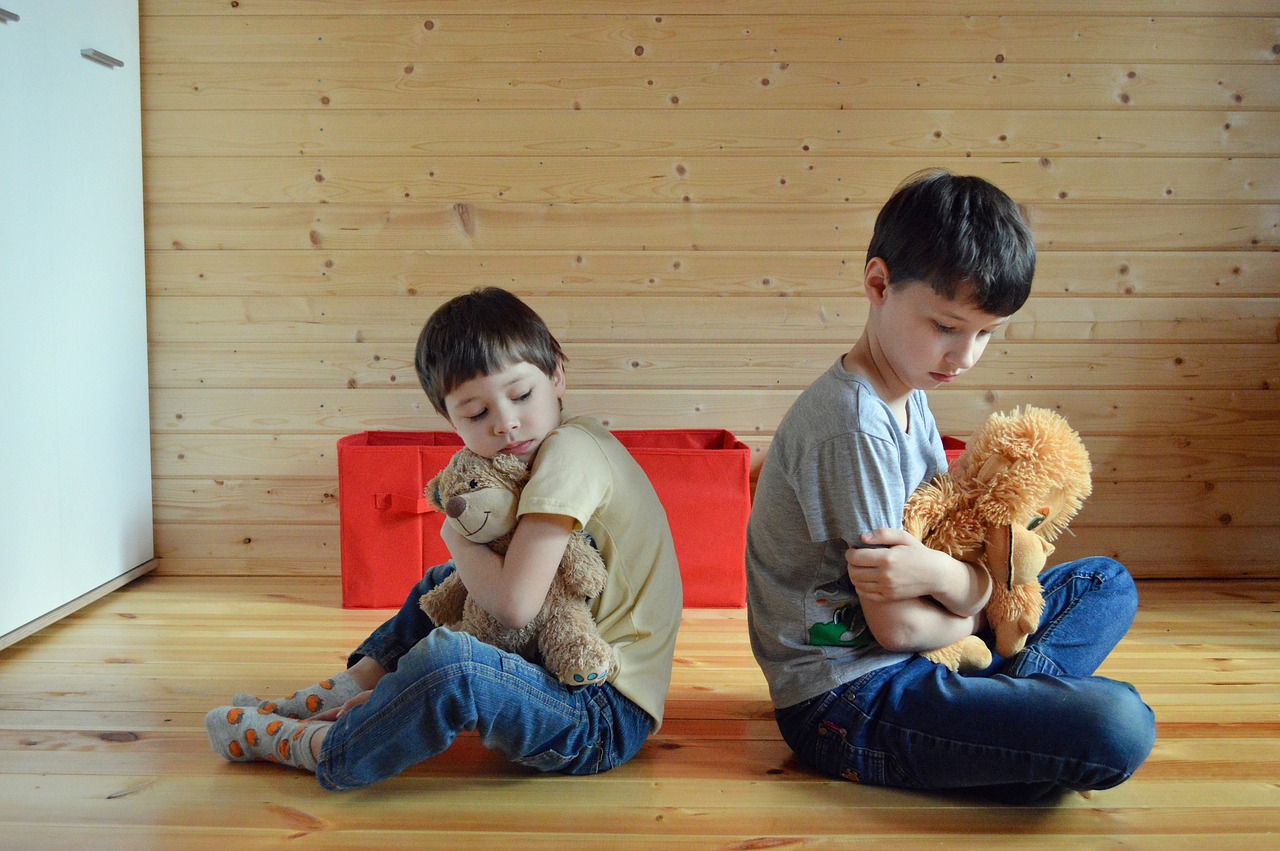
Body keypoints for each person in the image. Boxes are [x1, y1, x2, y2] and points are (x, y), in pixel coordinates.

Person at [745, 169, 1155, 802]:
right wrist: (974, 595)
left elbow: (951, 557)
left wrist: (957, 580)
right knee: (1119, 724)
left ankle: (1002, 729)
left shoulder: (908, 390)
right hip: (850, 697)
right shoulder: (854, 430)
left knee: (1106, 583)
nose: (964, 357)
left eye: (985, 332)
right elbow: (899, 630)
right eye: (946, 326)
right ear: (878, 284)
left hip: (933, 636)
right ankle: (1011, 730)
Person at [205, 287, 683, 791]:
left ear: (557, 375)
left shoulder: (570, 453)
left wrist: (456, 534)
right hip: (564, 675)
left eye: (521, 395)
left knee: (452, 662)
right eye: (476, 414)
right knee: (448, 583)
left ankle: (324, 744)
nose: (506, 423)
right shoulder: (542, 453)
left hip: (601, 713)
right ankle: (347, 691)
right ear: (450, 419)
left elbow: (515, 608)